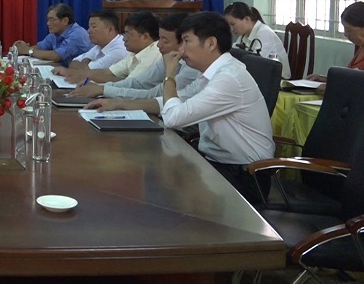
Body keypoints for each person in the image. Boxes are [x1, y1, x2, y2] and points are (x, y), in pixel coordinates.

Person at [86, 12, 274, 203]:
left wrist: (170, 75)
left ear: (210, 43)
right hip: (217, 163)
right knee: (155, 178)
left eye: (186, 41)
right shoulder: (210, 74)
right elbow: (171, 101)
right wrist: (118, 103)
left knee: (161, 190)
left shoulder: (228, 79)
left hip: (245, 175)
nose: (181, 49)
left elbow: (173, 117)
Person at [71, 13, 201, 100]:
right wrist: (102, 88)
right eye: (160, 38)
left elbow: (155, 95)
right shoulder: (166, 57)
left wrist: (104, 90)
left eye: (165, 41)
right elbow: (139, 83)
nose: (159, 44)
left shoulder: (191, 68)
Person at [56, 11, 160, 85]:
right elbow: (109, 72)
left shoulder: (153, 55)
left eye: (128, 34)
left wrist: (88, 78)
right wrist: (71, 73)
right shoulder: (134, 52)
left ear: (145, 37)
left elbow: (129, 85)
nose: (124, 39)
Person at [307, 1, 364, 89]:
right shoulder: (361, 48)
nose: (346, 34)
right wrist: (328, 79)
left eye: (349, 30)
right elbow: (353, 80)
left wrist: (334, 88)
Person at [223, 1, 291, 78]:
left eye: (233, 24)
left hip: (279, 80)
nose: (231, 29)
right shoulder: (244, 35)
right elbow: (233, 54)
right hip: (259, 75)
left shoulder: (264, 33)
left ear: (247, 19)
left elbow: (256, 64)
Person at [13, 3, 92, 66]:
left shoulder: (77, 34)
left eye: (52, 19)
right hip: (66, 71)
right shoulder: (55, 33)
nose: (48, 23)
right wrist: (21, 49)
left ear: (65, 21)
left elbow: (56, 56)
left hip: (84, 75)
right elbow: (40, 47)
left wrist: (27, 50)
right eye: (48, 19)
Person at [57, 10, 128, 78]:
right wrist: (85, 64)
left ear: (110, 29)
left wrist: (84, 63)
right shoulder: (100, 45)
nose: (88, 31)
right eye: (89, 27)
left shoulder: (120, 49)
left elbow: (88, 73)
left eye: (94, 27)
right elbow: (74, 62)